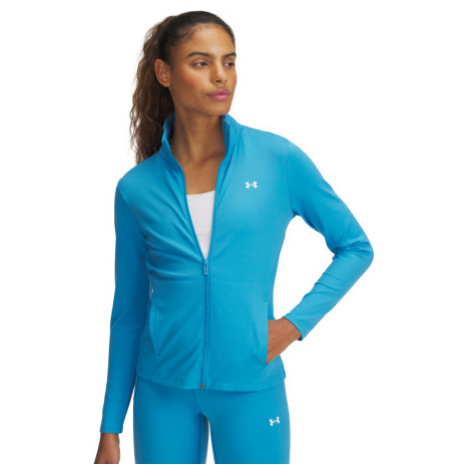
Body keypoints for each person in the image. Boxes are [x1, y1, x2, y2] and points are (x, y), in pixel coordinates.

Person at [94, 10, 374, 465]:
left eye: (229, 61)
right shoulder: (137, 188)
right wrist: (110, 425)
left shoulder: (276, 159)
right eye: (200, 63)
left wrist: (293, 326)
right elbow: (127, 313)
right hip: (161, 391)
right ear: (164, 73)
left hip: (251, 386)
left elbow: (356, 247)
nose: (221, 75)